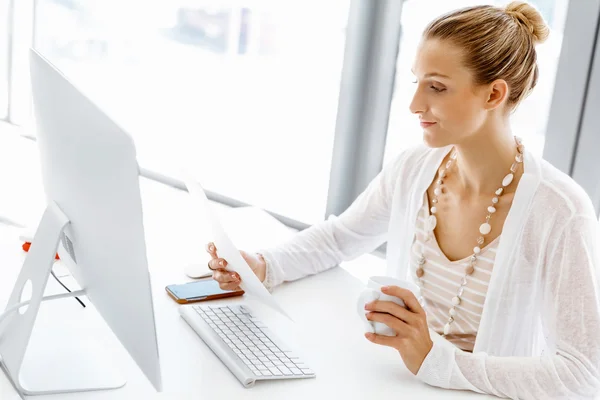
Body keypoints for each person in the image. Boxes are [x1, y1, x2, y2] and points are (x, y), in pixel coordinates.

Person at [206, 2, 600, 399]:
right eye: (416, 82)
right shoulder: (416, 167)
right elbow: (341, 237)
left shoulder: (559, 212)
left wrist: (436, 361)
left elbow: (582, 373)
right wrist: (264, 266)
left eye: (437, 87)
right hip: (399, 383)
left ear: (494, 93)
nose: (414, 104)